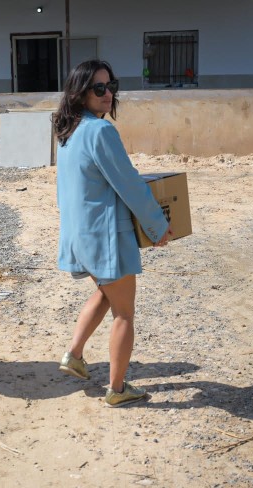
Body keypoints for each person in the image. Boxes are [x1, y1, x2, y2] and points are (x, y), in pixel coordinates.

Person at [53, 60, 172, 407]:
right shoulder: (100, 132)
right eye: (99, 88)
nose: (108, 94)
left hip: (81, 236)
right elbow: (130, 185)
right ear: (81, 93)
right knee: (125, 313)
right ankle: (117, 390)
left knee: (107, 295)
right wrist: (158, 226)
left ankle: (74, 355)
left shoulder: (68, 132)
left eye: (111, 85)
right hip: (105, 238)